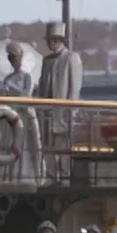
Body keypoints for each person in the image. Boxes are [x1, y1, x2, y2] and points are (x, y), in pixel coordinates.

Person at [33, 24, 83, 182]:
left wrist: (71, 113)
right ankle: (51, 180)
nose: (50, 43)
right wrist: (40, 110)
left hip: (63, 116)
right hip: (47, 116)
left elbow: (74, 88)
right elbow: (42, 88)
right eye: (49, 40)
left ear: (59, 40)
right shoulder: (46, 61)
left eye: (53, 40)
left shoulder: (71, 58)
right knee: (48, 151)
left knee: (64, 154)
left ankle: (65, 181)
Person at [0, 42, 43, 183]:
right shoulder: (7, 78)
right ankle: (10, 175)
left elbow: (26, 95)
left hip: (25, 115)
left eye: (15, 57)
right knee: (11, 145)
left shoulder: (27, 76)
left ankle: (30, 176)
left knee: (27, 145)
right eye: (11, 58)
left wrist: (12, 87)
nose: (14, 61)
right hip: (12, 114)